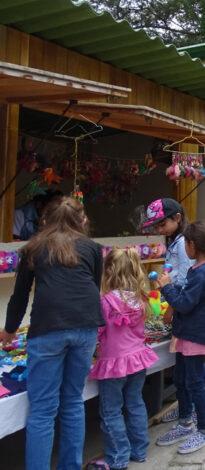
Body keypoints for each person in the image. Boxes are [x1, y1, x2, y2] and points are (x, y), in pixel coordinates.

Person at [1, 197, 104, 470]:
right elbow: (94, 287)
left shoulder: (34, 248)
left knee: (43, 411)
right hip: (85, 329)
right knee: (72, 401)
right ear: (81, 221)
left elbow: (20, 295)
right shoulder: (92, 248)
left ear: (45, 221)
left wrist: (9, 330)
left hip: (48, 330)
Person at [143, 199, 205, 424]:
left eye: (162, 224)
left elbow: (186, 283)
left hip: (187, 314)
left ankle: (198, 413)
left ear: (177, 218)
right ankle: (191, 407)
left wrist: (172, 307)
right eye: (155, 226)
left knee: (191, 371)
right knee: (188, 369)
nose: (158, 229)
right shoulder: (178, 242)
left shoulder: (187, 245)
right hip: (182, 310)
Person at [155, 220, 205, 454]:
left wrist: (166, 287)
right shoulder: (199, 269)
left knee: (194, 382)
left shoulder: (203, 273)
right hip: (187, 333)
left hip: (196, 335)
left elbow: (184, 304)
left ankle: (204, 429)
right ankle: (185, 422)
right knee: (182, 379)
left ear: (192, 246)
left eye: (185, 243)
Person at [87, 249, 159, 470]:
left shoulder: (106, 301)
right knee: (135, 402)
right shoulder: (140, 299)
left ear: (109, 271)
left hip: (114, 363)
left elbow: (97, 332)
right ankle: (139, 451)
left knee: (111, 410)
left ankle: (118, 458)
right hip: (137, 360)